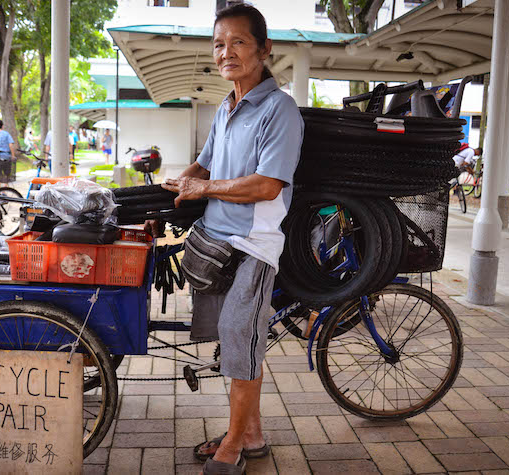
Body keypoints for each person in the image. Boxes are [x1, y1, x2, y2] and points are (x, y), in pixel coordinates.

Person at [157, 4, 303, 473]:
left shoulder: (279, 109)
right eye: (219, 44)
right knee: (231, 343)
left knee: (241, 340)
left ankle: (235, 444)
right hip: (217, 242)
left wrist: (205, 187)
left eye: (238, 42)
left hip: (254, 247)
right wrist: (185, 180)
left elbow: (266, 185)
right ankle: (252, 433)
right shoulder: (226, 106)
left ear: (264, 48)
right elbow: (205, 162)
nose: (227, 53)